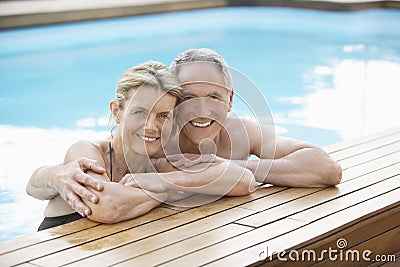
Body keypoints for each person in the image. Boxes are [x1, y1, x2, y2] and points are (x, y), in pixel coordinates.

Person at [28, 48, 342, 219]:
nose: (202, 111)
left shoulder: (238, 132)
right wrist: (48, 175)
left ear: (230, 100)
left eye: (215, 97)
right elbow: (106, 199)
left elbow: (327, 168)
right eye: (190, 99)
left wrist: (186, 176)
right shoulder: (155, 147)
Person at [27, 60, 255, 230]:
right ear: (116, 111)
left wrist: (163, 181)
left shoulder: (160, 164)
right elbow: (108, 205)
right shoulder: (87, 151)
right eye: (139, 112)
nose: (151, 127)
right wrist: (172, 192)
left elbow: (242, 179)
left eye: (163, 115)